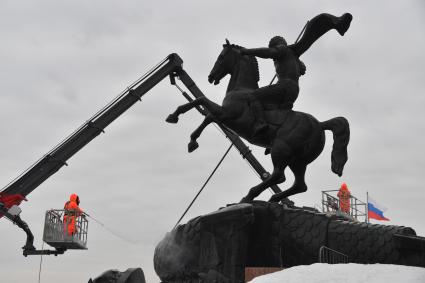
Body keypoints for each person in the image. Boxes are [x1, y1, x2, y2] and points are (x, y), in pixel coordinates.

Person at [240, 36, 305, 136]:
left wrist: (246, 51)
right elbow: (302, 69)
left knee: (252, 96)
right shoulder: (294, 57)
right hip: (294, 90)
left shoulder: (283, 49)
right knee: (271, 107)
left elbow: (267, 53)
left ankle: (260, 123)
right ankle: (275, 132)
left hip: (284, 86)